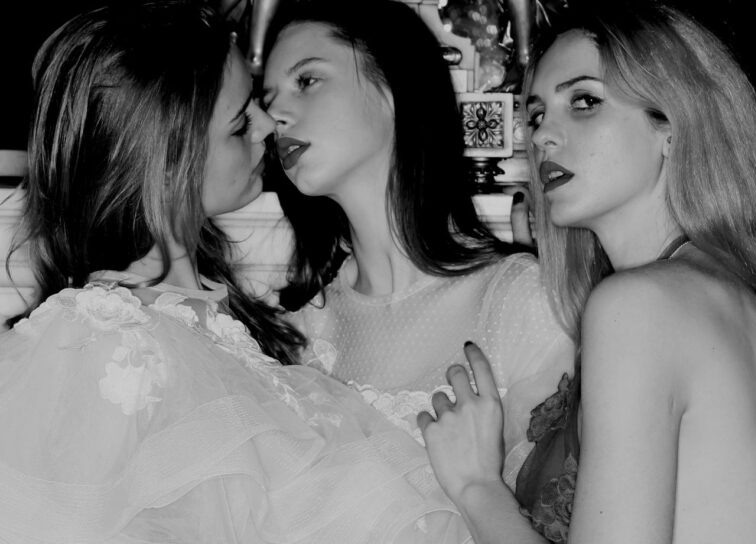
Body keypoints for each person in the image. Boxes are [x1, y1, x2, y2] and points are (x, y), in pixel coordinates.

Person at [0, 2, 473, 541]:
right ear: (168, 158)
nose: (268, 124)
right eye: (239, 121)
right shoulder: (110, 347)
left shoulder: (213, 329)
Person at [418, 1, 756, 542]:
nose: (542, 137)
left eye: (584, 101)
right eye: (536, 115)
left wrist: (475, 486)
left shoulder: (641, 307)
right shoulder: (729, 294)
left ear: (673, 125)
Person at [261, 0, 574, 492]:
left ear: (392, 86)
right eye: (269, 98)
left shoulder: (521, 302)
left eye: (307, 80)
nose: (275, 115)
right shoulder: (299, 334)